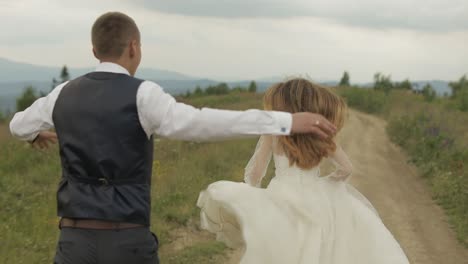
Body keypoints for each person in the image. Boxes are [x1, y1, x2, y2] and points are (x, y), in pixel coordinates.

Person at [8, 12, 337, 264]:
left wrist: (36, 133)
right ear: (134, 47)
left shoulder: (62, 93)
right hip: (128, 242)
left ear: (94, 50)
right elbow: (203, 123)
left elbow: (18, 126)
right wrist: (285, 121)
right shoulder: (143, 95)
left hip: (73, 242)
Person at [197, 78, 410, 264]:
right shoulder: (322, 135)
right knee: (321, 248)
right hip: (317, 198)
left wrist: (254, 197)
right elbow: (346, 169)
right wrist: (327, 184)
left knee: (281, 251)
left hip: (281, 197)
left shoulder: (274, 132)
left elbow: (255, 174)